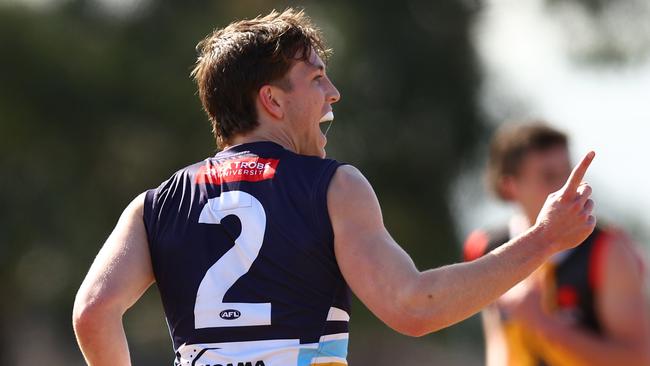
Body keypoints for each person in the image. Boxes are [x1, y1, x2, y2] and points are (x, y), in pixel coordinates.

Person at [73, 9, 597, 366]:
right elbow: (414, 306)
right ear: (273, 102)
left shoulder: (153, 204)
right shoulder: (333, 186)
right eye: (317, 78)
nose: (334, 93)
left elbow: (93, 313)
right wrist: (545, 237)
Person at [463, 123, 650, 366]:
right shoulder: (485, 247)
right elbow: (499, 343)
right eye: (548, 176)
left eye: (568, 173)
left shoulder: (608, 250)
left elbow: (639, 358)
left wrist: (545, 325)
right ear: (510, 187)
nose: (566, 187)